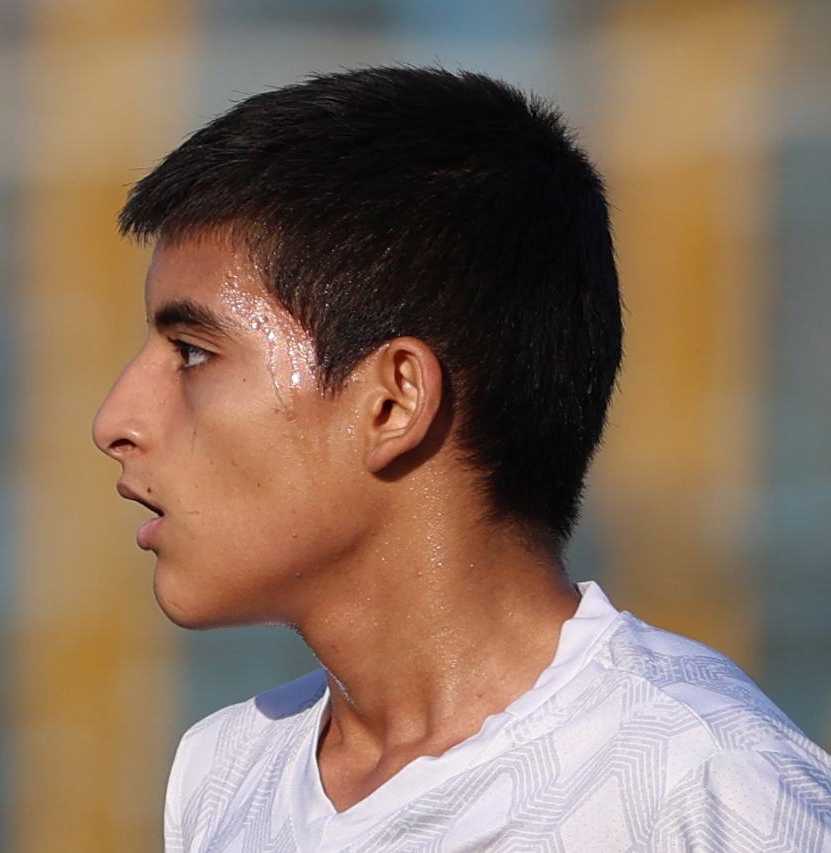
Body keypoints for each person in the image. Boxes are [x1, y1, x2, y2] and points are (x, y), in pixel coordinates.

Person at [92, 67, 831, 852]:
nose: (115, 422)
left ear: (392, 402)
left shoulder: (700, 785)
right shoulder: (225, 772)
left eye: (193, 352)